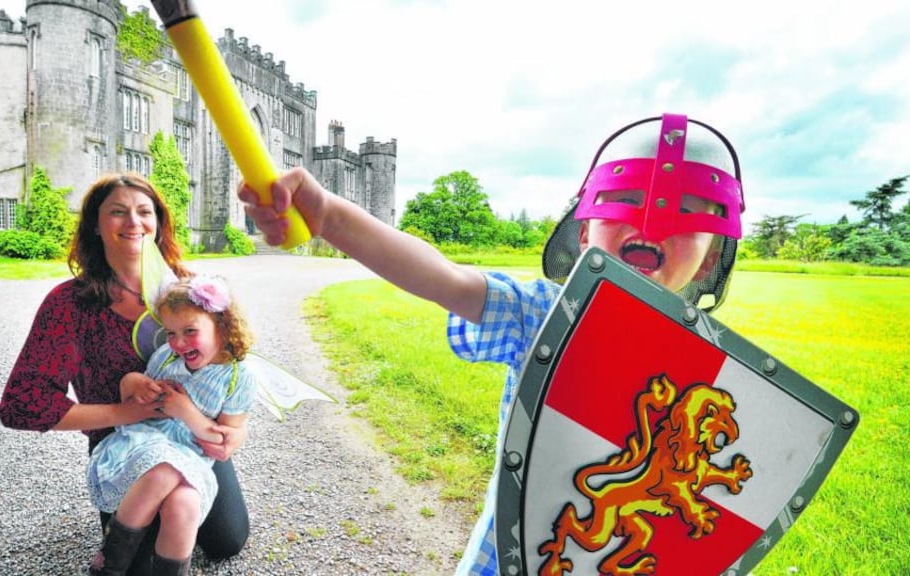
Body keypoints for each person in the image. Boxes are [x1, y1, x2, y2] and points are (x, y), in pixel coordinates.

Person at [237, 113, 746, 575]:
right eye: (627, 200)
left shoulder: (713, 372)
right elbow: (441, 276)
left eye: (687, 214)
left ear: (708, 261)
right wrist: (327, 215)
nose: (651, 222)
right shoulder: (544, 314)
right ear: (586, 231)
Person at [0, 173, 250, 575]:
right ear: (96, 227)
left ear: (159, 223)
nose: (134, 222)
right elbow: (21, 405)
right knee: (137, 566)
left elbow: (234, 364)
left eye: (144, 212)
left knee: (227, 541)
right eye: (117, 212)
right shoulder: (69, 304)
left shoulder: (189, 291)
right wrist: (126, 412)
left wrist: (235, 430)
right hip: (123, 444)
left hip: (191, 436)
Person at [87, 275, 255, 576]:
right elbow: (133, 398)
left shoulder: (237, 377)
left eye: (190, 331)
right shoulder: (166, 358)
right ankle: (108, 567)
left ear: (222, 324)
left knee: (186, 505)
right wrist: (133, 382)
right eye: (171, 333)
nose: (177, 343)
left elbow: (219, 442)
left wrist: (185, 410)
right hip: (144, 442)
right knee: (163, 471)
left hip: (193, 456)